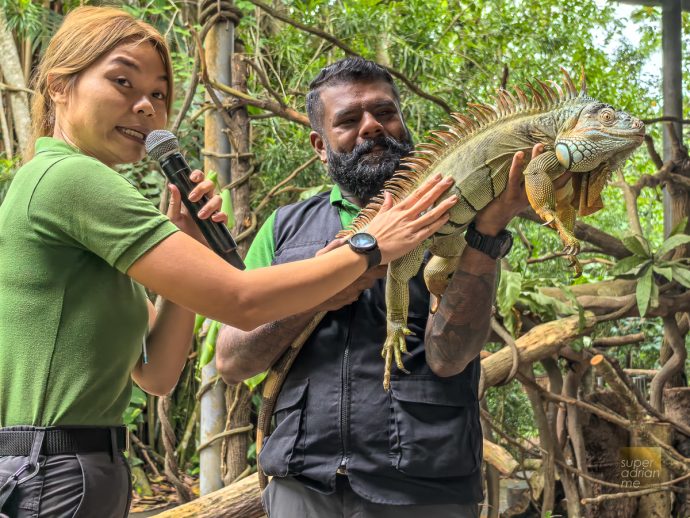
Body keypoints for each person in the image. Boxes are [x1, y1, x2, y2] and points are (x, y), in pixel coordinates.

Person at [0, 9, 455, 518]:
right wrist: (370, 245)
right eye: (122, 81)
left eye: (158, 92)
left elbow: (157, 373)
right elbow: (241, 302)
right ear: (60, 85)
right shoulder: (70, 178)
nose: (146, 106)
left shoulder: (77, 188)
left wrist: (183, 244)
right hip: (51, 466)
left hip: (83, 466)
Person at [216, 57, 559, 518]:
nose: (372, 127)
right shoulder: (284, 229)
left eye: (385, 113)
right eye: (349, 120)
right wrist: (320, 290)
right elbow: (232, 360)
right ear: (320, 145)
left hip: (425, 488)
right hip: (304, 484)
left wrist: (489, 229)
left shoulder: (463, 210)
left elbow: (450, 357)